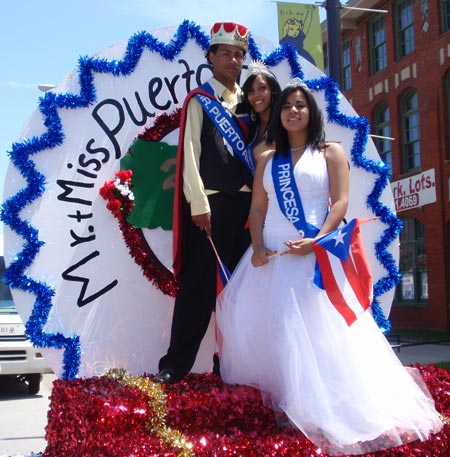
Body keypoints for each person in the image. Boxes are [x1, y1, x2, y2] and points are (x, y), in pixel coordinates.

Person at [216, 79, 443, 455]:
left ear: (312, 112)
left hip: (312, 257)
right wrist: (256, 245)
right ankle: (292, 405)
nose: (293, 111)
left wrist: (317, 240)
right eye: (287, 105)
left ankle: (320, 408)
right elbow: (258, 208)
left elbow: (340, 204)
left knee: (315, 334)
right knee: (278, 331)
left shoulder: (330, 152)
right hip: (270, 258)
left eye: (301, 105)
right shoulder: (268, 160)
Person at [153, 22, 253, 384]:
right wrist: (198, 204)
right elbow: (190, 154)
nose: (232, 59)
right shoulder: (200, 100)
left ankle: (232, 365)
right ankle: (175, 365)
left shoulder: (253, 103)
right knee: (197, 286)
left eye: (238, 54)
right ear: (211, 57)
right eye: (225, 53)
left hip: (248, 210)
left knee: (243, 290)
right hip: (211, 207)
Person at [241, 62, 281, 164]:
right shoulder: (253, 128)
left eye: (262, 88)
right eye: (251, 90)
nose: (256, 95)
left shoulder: (282, 125)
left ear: (272, 90)